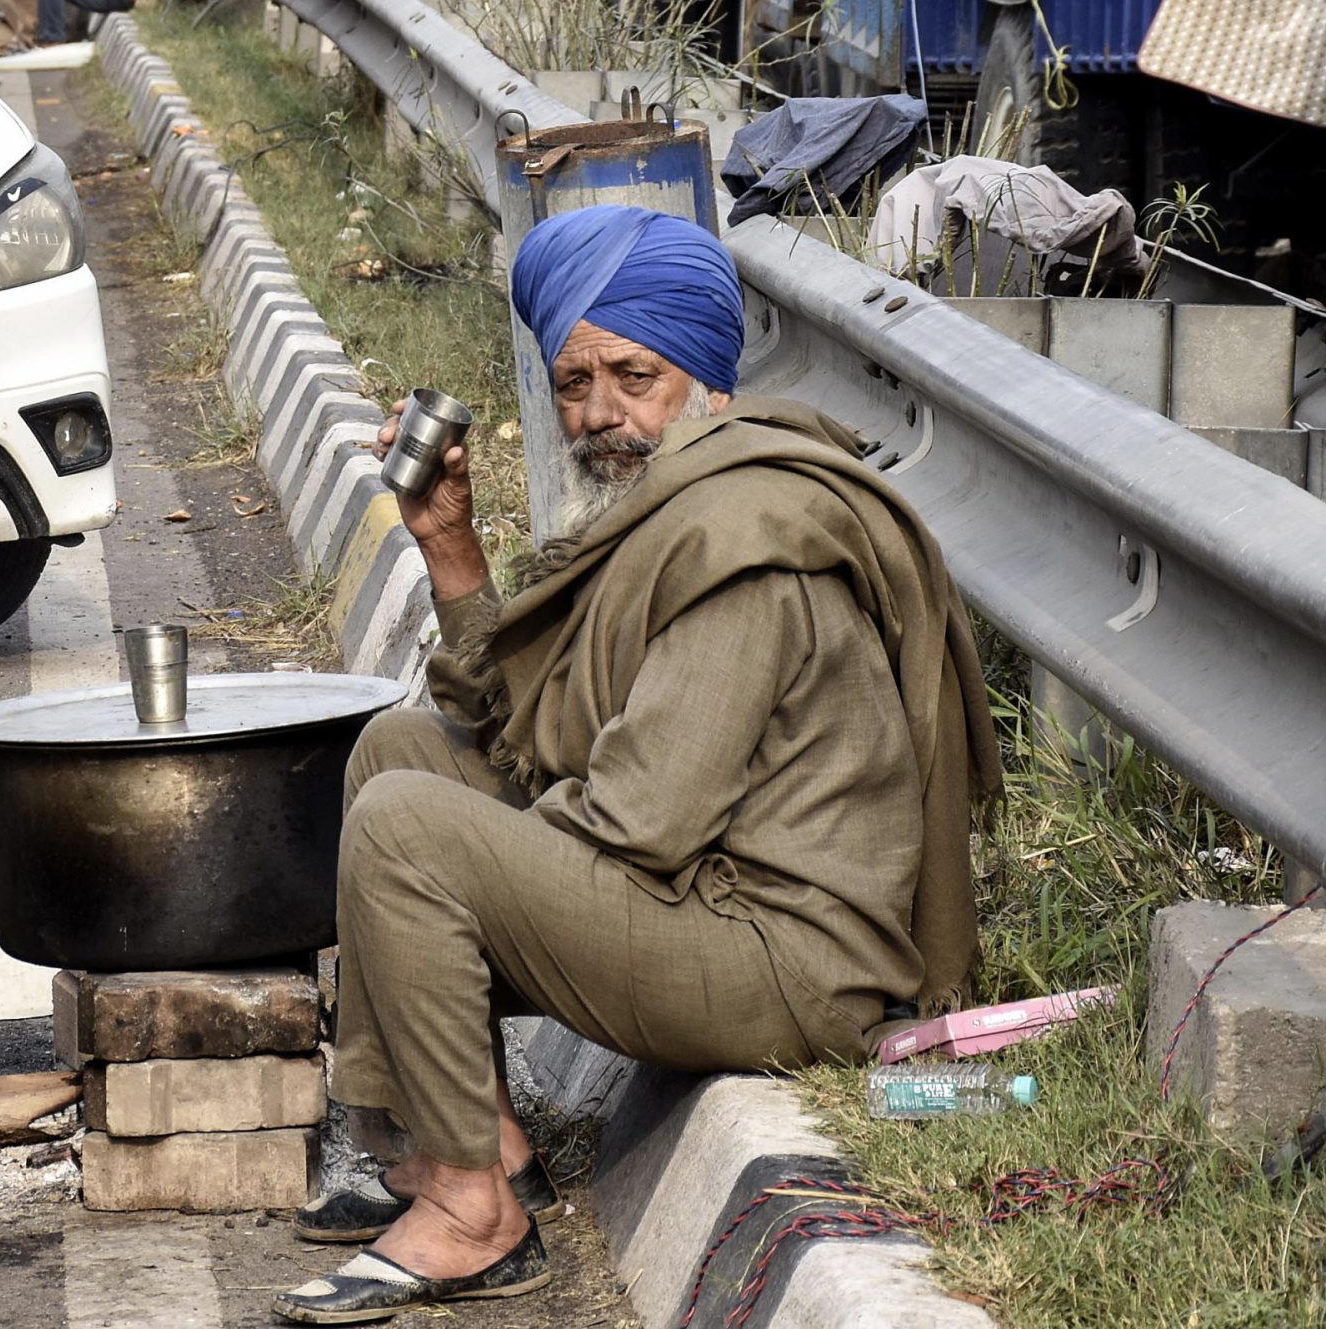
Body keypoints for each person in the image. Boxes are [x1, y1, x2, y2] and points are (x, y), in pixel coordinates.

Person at [273, 207, 1000, 1325]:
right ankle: (451, 1139)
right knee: (400, 749)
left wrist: (464, 876)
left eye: (632, 373)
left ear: (704, 372)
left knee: (411, 827)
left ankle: (478, 1211)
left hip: (787, 957)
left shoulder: (745, 536)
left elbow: (636, 816)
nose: (600, 412)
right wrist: (451, 547)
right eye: (573, 381)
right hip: (703, 888)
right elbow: (544, 724)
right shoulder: (677, 499)